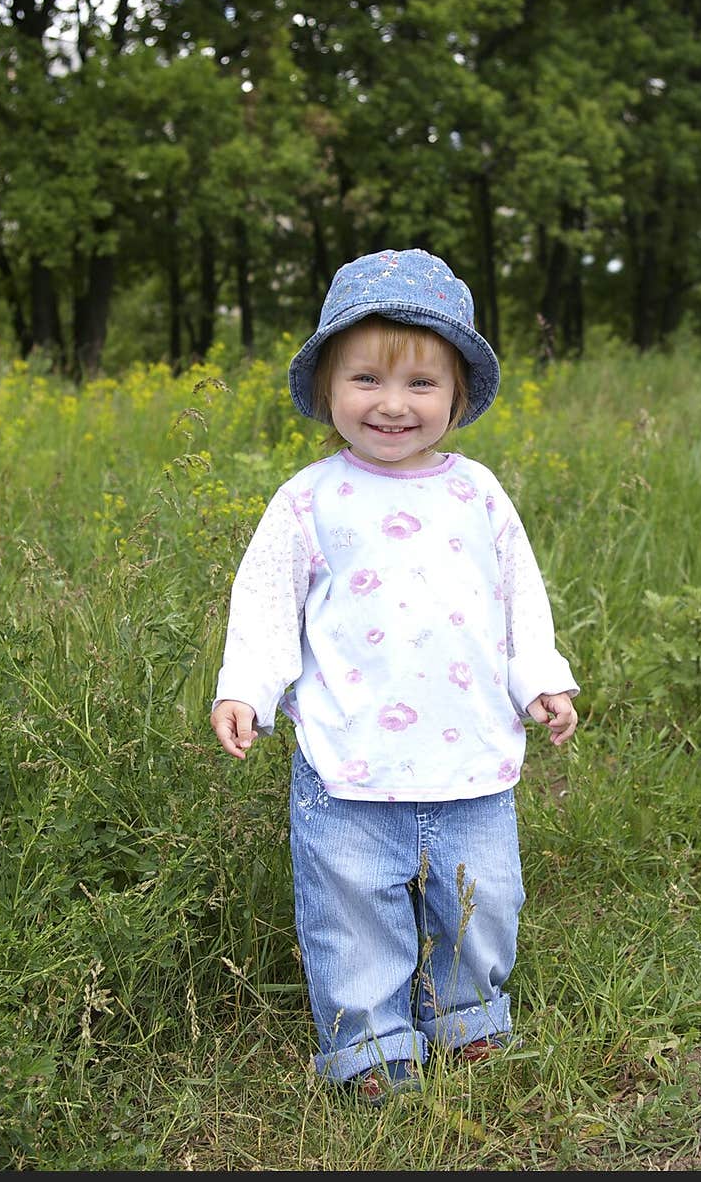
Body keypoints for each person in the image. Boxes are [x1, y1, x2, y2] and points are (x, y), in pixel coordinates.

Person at [211, 248, 579, 1103]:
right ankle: (372, 1042)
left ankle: (468, 1014)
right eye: (366, 378)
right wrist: (248, 687)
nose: (391, 403)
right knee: (351, 909)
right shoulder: (310, 499)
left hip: (471, 749)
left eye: (420, 384)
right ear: (327, 388)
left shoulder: (478, 493)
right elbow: (265, 601)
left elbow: (519, 596)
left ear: (456, 395)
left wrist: (539, 679)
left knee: (483, 900)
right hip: (349, 755)